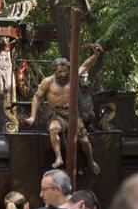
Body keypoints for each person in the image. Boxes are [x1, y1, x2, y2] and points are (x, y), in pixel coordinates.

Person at [25, 45, 104, 174]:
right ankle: (59, 158)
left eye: (65, 70)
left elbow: (86, 66)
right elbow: (37, 97)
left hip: (73, 114)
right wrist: (32, 117)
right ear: (55, 70)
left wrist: (95, 55)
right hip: (56, 114)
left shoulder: (73, 77)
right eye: (60, 71)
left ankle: (91, 160)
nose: (63, 74)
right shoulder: (47, 82)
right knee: (53, 129)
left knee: (84, 140)